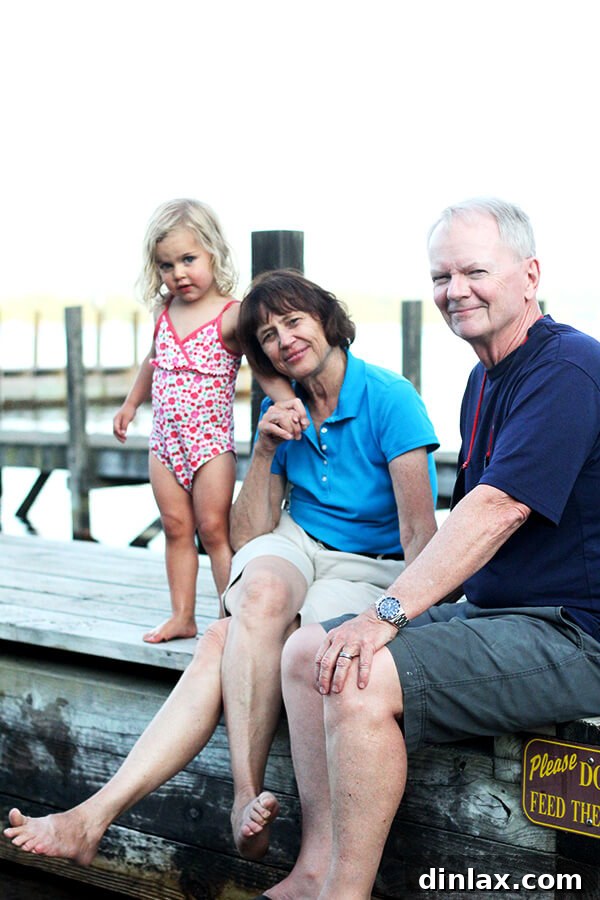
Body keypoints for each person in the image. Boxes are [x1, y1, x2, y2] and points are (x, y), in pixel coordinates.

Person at [3, 269, 439, 865]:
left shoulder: (392, 399)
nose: (283, 340)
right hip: (296, 539)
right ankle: (242, 794)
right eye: (266, 335)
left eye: (294, 322)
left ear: (327, 322)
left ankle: (93, 816)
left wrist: (419, 620)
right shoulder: (278, 406)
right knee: (258, 596)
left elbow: (419, 532)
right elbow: (246, 535)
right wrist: (261, 449)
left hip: (369, 561)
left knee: (223, 638)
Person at [272, 197, 600, 900]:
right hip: (498, 614)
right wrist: (404, 610)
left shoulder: (569, 367)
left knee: (360, 674)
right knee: (304, 653)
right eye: (441, 277)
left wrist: (384, 615)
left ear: (530, 274)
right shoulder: (484, 379)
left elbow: (496, 508)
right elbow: (463, 533)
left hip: (576, 632)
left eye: (475, 271)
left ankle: (345, 893)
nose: (456, 292)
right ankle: (311, 870)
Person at [112, 199, 299, 643]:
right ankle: (182, 615)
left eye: (188, 259)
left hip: (210, 443)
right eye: (166, 265)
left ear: (213, 252)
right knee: (176, 527)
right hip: (165, 441)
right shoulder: (163, 311)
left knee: (214, 529)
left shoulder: (230, 315)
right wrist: (130, 404)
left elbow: (263, 368)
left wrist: (289, 401)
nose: (178, 273)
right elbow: (152, 363)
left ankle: (228, 617)